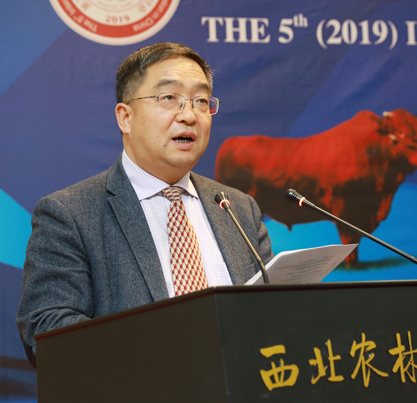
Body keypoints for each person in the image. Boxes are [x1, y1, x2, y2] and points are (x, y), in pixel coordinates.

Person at [16, 43, 273, 368]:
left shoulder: (238, 208)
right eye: (169, 98)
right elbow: (48, 330)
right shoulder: (69, 214)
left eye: (201, 101)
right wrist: (170, 356)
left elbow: (273, 314)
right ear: (126, 117)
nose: (189, 115)